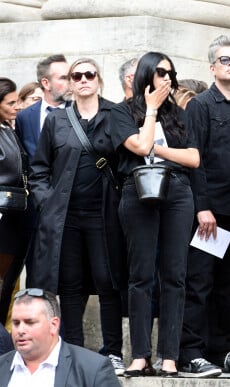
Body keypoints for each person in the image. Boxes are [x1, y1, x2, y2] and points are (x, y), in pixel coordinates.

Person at [27, 58, 126, 375]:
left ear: (99, 79)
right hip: (66, 216)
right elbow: (39, 169)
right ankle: (72, 352)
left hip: (105, 215)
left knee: (107, 280)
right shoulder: (57, 120)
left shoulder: (116, 115)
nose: (83, 79)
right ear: (69, 82)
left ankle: (112, 352)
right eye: (76, 75)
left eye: (89, 74)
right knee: (68, 285)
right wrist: (47, 202)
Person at [110, 51, 200, 378]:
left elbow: (192, 158)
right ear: (145, 74)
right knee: (141, 275)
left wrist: (160, 151)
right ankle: (139, 355)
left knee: (175, 275)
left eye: (171, 74)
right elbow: (139, 145)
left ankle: (170, 357)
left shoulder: (180, 114)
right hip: (138, 189)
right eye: (160, 72)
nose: (167, 79)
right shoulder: (120, 112)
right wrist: (149, 110)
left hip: (176, 191)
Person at [179, 35, 230, 379]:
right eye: (225, 60)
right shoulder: (200, 106)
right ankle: (192, 353)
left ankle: (220, 350)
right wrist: (202, 208)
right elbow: (195, 159)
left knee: (228, 285)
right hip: (210, 216)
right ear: (212, 67)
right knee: (200, 284)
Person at [0, 288, 121, 386]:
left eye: (30, 322)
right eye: (16, 323)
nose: (20, 330)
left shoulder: (93, 369)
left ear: (53, 325)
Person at [0, 78, 29, 328]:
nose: (17, 106)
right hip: (3, 214)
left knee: (9, 282)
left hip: (14, 213)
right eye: (11, 102)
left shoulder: (9, 129)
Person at [15, 54, 70, 158]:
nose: (70, 82)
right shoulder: (24, 117)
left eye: (71, 77)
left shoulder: (80, 112)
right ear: (46, 83)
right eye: (63, 78)